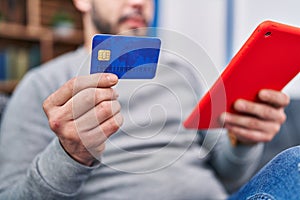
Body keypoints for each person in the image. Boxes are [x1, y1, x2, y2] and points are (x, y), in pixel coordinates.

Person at [0, 0, 296, 199]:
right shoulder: (43, 83)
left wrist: (243, 142)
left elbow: (229, 179)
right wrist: (71, 154)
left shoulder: (183, 70)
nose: (138, 2)